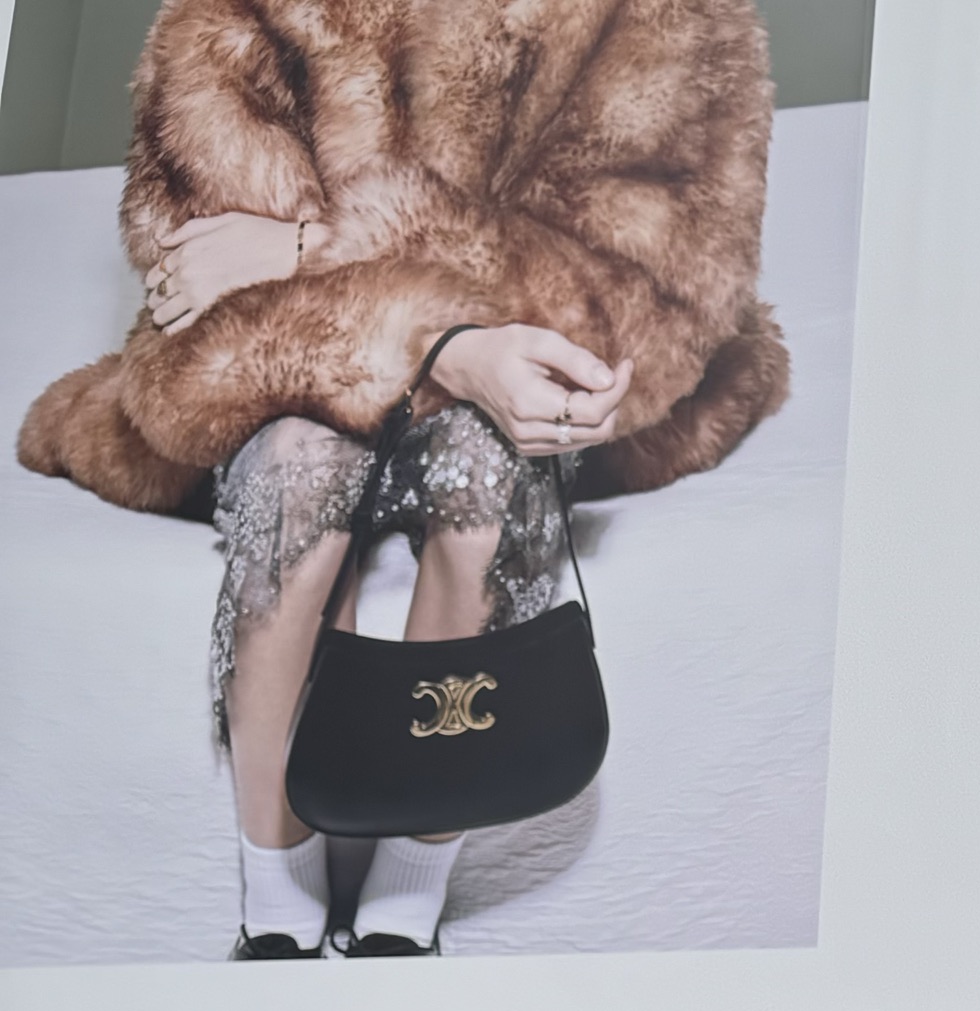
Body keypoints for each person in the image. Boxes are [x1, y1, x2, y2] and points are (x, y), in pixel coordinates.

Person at [15, 0, 789, 960]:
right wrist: (443, 344)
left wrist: (315, 250)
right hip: (290, 368)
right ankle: (277, 876)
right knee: (299, 473)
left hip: (518, 376)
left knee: (480, 477)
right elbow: (198, 282)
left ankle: (414, 874)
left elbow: (639, 298)